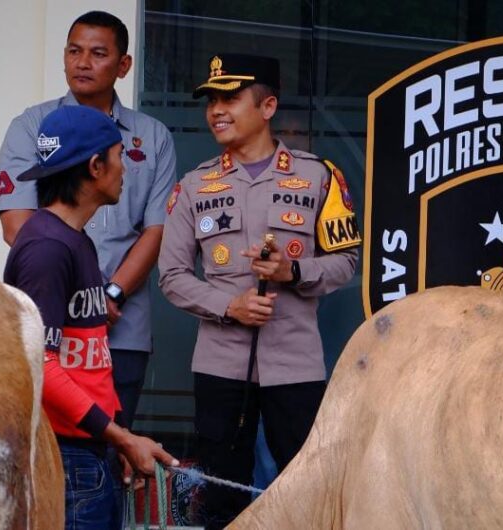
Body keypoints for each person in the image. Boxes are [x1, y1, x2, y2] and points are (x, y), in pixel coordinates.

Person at [158, 53, 361, 528]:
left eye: (229, 98)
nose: (216, 111)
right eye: (210, 101)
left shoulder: (319, 177)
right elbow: (171, 275)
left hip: (296, 366)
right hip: (219, 368)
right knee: (221, 496)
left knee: (306, 491)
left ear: (267, 106)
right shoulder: (193, 186)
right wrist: (229, 305)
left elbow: (346, 261)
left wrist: (294, 272)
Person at [0, 10, 177, 429]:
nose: (82, 62)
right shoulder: (31, 127)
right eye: (74, 51)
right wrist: (86, 290)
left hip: (124, 321)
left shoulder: (151, 136)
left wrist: (110, 294)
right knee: (49, 445)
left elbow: (156, 229)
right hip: (51, 315)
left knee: (115, 447)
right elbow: (17, 226)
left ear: (124, 65)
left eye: (98, 53)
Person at [3, 105, 178, 528]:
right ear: (96, 166)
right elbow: (40, 365)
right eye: (119, 157)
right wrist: (120, 436)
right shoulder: (46, 249)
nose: (125, 170)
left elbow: (92, 355)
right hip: (66, 455)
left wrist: (114, 435)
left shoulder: (74, 240)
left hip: (90, 449)